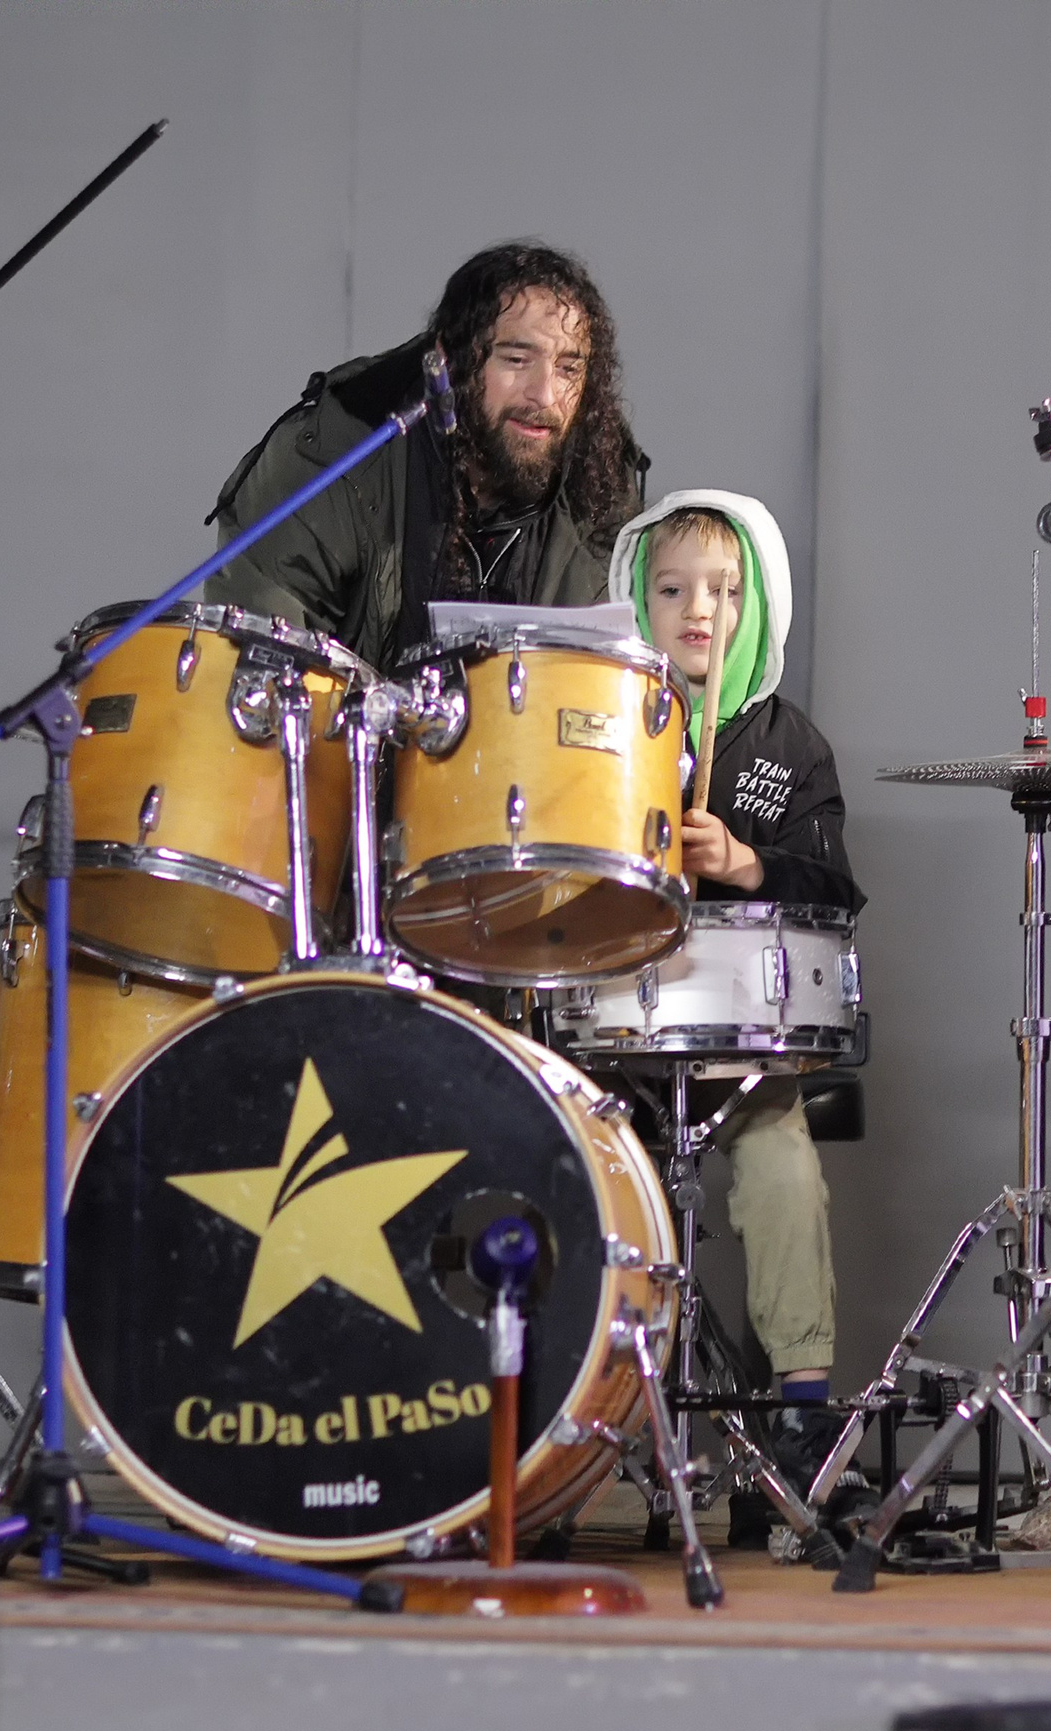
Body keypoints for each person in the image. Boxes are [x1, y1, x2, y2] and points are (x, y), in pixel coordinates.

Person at [609, 489, 870, 1543]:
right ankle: (549, 1426)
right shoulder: (602, 719)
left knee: (782, 1171)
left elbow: (837, 889)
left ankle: (798, 1435)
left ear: (755, 605)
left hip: (745, 1054)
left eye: (722, 591)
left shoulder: (788, 744)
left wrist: (746, 861)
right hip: (611, 1041)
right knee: (556, 1170)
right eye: (670, 589)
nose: (697, 610)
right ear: (637, 598)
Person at [207, 241, 644, 668]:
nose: (545, 395)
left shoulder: (600, 487)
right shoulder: (338, 454)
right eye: (516, 359)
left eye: (569, 369)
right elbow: (262, 657)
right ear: (449, 362)